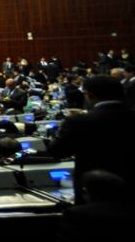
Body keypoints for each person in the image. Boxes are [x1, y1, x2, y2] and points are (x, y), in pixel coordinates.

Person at [48, 75, 135, 203]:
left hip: (93, 192)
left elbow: (57, 151)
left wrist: (61, 129)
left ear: (90, 95)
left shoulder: (78, 121)